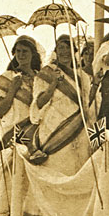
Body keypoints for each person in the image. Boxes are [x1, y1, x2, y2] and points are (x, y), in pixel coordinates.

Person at [0, 35, 43, 216]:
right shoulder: (6, 77)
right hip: (14, 131)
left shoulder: (40, 77)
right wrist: (13, 89)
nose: (21, 55)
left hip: (37, 132)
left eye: (25, 52)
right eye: (17, 51)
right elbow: (0, 109)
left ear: (33, 54)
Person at [29, 34, 94, 172]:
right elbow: (39, 103)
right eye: (61, 48)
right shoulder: (46, 73)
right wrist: (54, 83)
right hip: (54, 127)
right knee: (58, 166)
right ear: (56, 51)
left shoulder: (82, 76)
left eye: (68, 48)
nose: (65, 52)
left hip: (78, 127)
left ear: (74, 51)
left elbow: (87, 103)